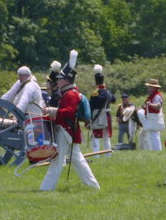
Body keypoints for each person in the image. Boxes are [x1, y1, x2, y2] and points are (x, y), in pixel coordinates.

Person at [39, 57, 100, 191]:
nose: (58, 81)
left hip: (66, 130)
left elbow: (70, 112)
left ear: (66, 80)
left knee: (57, 162)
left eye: (60, 79)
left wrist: (52, 111)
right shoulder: (68, 93)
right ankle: (93, 186)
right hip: (68, 130)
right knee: (78, 160)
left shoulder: (71, 94)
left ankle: (46, 188)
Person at [88, 65, 114, 153]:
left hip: (97, 116)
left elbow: (91, 106)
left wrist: (90, 118)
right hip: (107, 116)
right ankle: (108, 154)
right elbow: (114, 99)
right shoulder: (108, 92)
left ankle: (96, 154)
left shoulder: (95, 93)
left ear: (96, 83)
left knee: (96, 137)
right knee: (106, 138)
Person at [139, 79, 165, 150]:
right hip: (153, 117)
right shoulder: (154, 95)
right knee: (154, 135)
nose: (148, 88)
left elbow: (158, 106)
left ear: (154, 87)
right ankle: (156, 149)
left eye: (150, 87)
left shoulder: (156, 96)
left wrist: (149, 104)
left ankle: (157, 150)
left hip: (154, 118)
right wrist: (146, 107)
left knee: (154, 135)